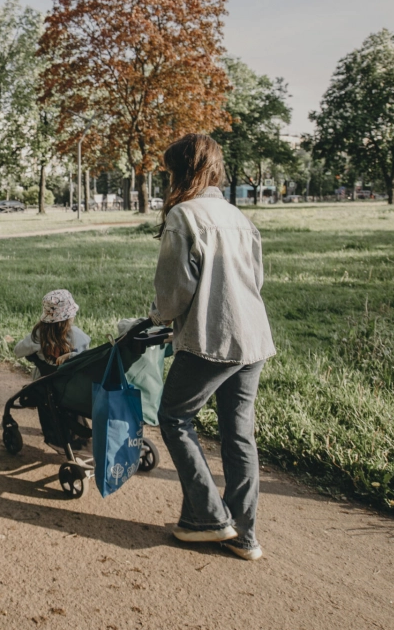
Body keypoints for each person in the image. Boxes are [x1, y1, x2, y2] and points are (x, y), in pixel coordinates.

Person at [149, 133, 275, 562]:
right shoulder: (240, 217)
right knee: (239, 435)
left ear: (183, 171)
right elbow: (256, 280)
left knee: (174, 417)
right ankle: (244, 535)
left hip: (211, 338)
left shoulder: (183, 217)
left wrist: (153, 319)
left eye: (168, 172)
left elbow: (173, 294)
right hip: (254, 339)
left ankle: (208, 517)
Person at [14, 289, 91, 378]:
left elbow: (17, 351)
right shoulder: (80, 337)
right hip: (69, 384)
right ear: (69, 317)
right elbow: (85, 361)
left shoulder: (38, 336)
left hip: (43, 383)